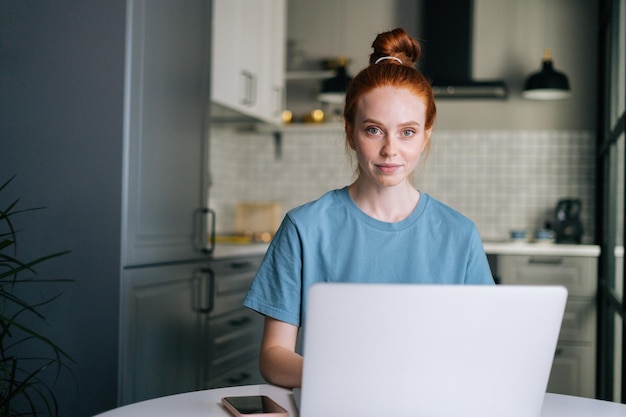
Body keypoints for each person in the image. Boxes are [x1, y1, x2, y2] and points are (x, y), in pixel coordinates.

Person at [243, 27, 494, 388]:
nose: (390, 149)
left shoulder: (460, 233)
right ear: (350, 131)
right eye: (374, 130)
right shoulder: (304, 228)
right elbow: (274, 356)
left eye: (407, 131)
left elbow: (481, 348)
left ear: (426, 135)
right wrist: (346, 379)